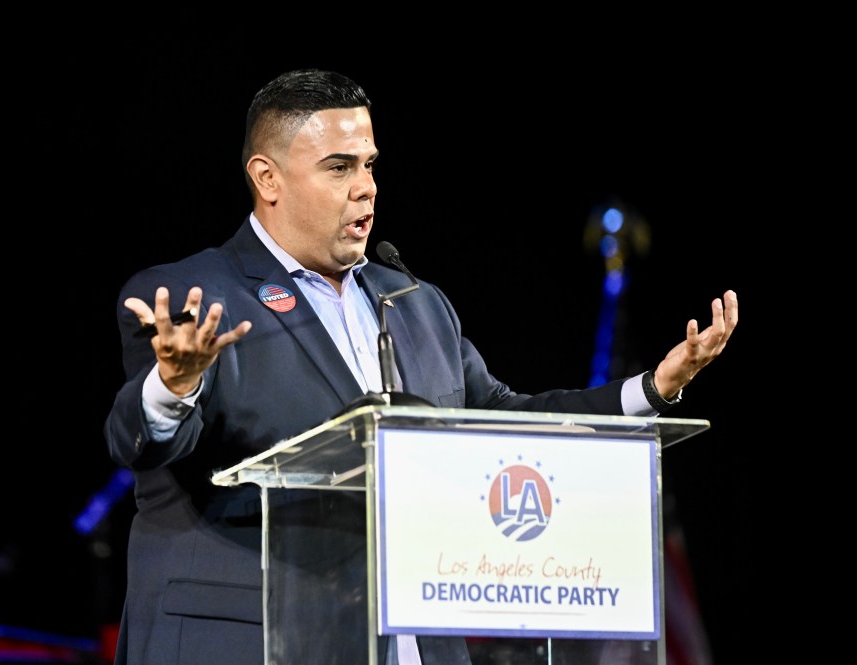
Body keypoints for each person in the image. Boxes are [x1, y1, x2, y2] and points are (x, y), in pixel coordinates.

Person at [104, 68, 738, 665]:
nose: (367, 187)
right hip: (256, 641)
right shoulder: (192, 298)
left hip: (413, 641)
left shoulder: (413, 302)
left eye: (370, 165)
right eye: (339, 167)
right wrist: (175, 385)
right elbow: (143, 442)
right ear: (267, 179)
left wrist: (649, 390)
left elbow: (504, 421)